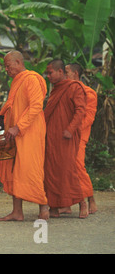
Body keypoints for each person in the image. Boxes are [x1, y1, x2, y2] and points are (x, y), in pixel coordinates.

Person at [0, 51, 49, 221]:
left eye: (8, 65)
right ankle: (17, 212)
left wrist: (18, 127)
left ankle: (43, 208)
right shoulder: (17, 82)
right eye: (5, 66)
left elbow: (36, 107)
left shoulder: (31, 79)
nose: (6, 69)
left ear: (19, 62)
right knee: (13, 168)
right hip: (14, 132)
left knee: (31, 168)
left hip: (30, 131)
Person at [44, 59, 87, 218]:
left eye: (50, 72)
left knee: (68, 170)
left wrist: (70, 129)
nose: (48, 76)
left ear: (60, 72)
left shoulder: (74, 88)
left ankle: (82, 203)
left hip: (66, 137)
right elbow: (48, 113)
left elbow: (80, 110)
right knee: (51, 171)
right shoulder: (55, 90)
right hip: (52, 138)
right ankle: (54, 207)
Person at [64, 63, 98, 215]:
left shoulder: (88, 93)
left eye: (67, 72)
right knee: (63, 167)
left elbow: (88, 118)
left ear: (76, 74)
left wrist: (73, 130)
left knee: (78, 166)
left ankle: (90, 199)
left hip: (79, 135)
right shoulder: (65, 91)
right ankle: (66, 203)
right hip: (64, 135)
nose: (64, 75)